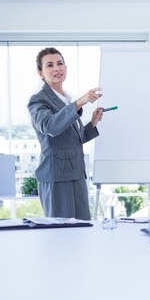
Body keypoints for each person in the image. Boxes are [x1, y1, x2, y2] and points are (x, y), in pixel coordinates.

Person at [28, 47, 104, 220]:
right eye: (50, 65)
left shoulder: (66, 100)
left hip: (77, 175)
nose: (57, 68)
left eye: (60, 63)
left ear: (66, 68)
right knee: (61, 234)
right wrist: (81, 102)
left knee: (82, 230)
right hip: (56, 178)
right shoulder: (38, 100)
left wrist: (92, 123)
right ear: (41, 73)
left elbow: (73, 140)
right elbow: (50, 127)